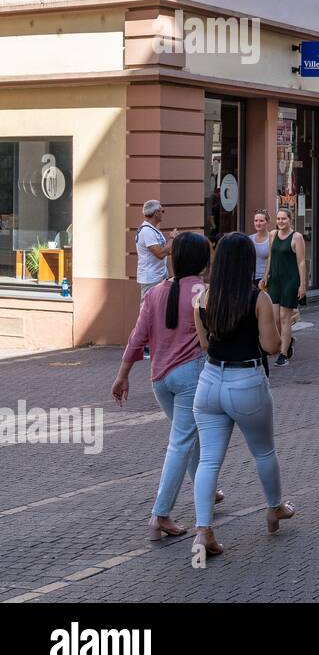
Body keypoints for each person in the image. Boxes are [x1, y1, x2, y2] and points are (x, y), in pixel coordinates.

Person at [191, 233, 294, 557]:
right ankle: (275, 508)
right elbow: (271, 346)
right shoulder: (257, 298)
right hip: (246, 380)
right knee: (263, 452)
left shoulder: (203, 299)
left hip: (209, 382)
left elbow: (205, 346)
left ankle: (203, 530)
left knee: (208, 460)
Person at [112, 232, 219, 543]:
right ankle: (160, 515)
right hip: (190, 376)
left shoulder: (155, 292)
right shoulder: (202, 290)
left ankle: (209, 491)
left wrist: (122, 375)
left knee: (187, 437)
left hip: (160, 379)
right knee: (181, 442)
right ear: (201, 261)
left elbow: (137, 338)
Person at [262, 207, 307, 367]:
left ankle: (283, 353)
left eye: (284, 219)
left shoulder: (297, 237)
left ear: (290, 220)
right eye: (279, 218)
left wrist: (302, 285)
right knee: (274, 319)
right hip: (275, 280)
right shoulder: (273, 235)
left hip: (290, 281)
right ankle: (288, 341)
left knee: (284, 317)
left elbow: (301, 262)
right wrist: (265, 275)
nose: (281, 221)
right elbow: (270, 257)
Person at [136, 199, 177, 301]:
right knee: (147, 308)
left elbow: (164, 250)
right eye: (162, 211)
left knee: (157, 307)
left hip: (158, 276)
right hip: (151, 278)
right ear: (156, 213)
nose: (163, 214)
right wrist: (172, 239)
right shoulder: (146, 231)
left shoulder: (153, 230)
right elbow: (159, 253)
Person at [248, 210, 272, 285]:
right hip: (250, 278)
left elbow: (271, 259)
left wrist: (265, 278)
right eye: (256, 221)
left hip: (264, 279)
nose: (258, 223)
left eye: (261, 221)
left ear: (267, 222)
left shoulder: (271, 238)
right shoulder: (250, 238)